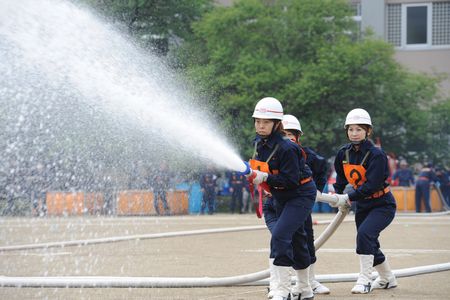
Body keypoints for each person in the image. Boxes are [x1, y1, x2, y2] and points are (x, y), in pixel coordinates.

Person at [248, 97, 316, 300]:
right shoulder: (258, 144)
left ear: (277, 124)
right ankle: (304, 289)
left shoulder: (288, 148)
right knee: (297, 240)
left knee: (280, 235)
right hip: (280, 195)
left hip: (300, 194)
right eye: (258, 121)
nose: (261, 125)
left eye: (266, 121)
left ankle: (282, 289)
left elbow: (291, 180)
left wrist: (264, 177)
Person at [333, 108, 397, 294]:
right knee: (368, 241)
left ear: (368, 131)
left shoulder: (377, 154)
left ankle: (365, 280)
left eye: (359, 129)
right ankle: (387, 278)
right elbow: (341, 180)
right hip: (363, 205)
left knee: (364, 235)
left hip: (382, 204)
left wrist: (348, 197)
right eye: (351, 129)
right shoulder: (342, 153)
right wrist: (335, 197)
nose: (354, 133)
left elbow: (372, 185)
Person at [264, 114, 329, 298]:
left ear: (298, 136)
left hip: (298, 202)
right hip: (276, 202)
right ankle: (276, 285)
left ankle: (308, 283)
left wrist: (316, 190)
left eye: (291, 133)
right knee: (279, 238)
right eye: (285, 133)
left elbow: (321, 167)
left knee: (304, 240)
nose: (288, 136)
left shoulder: (305, 154)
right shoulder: (268, 150)